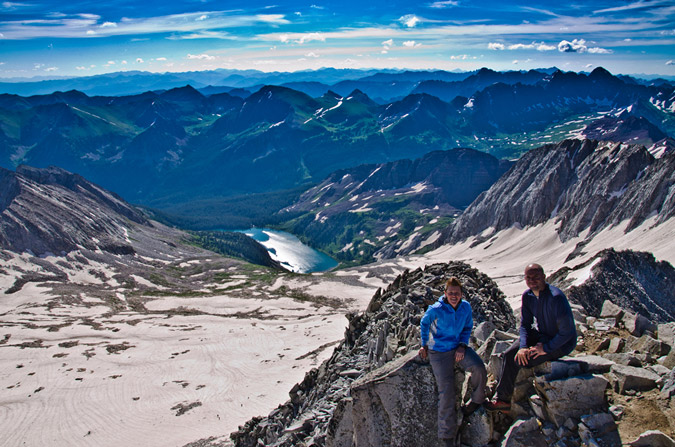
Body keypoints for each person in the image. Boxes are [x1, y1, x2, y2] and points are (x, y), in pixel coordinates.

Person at [486, 263, 577, 411]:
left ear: (544, 277)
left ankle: (505, 397)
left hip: (561, 343)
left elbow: (567, 333)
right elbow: (525, 325)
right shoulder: (528, 296)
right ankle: (503, 399)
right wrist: (522, 347)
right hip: (543, 335)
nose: (532, 281)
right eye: (528, 278)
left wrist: (545, 349)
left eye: (536, 277)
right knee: (510, 355)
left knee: (524, 361)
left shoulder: (556, 298)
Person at [419, 277, 487, 447]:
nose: (454, 296)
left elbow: (467, 327)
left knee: (479, 368)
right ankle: (447, 435)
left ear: (462, 294)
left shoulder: (465, 307)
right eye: (450, 293)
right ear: (445, 294)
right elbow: (424, 323)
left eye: (456, 293)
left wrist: (463, 345)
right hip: (439, 352)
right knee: (447, 391)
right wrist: (424, 345)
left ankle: (477, 400)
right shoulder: (436, 309)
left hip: (458, 347)